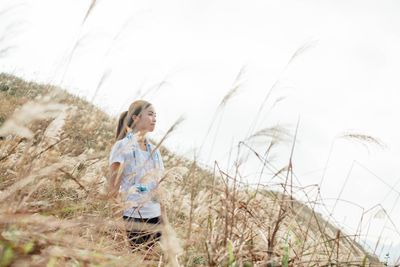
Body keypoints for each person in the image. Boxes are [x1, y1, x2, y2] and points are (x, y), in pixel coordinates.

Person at [108, 100, 164, 251]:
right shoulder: (122, 146)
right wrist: (119, 225)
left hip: (156, 218)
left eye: (156, 115)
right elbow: (113, 189)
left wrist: (165, 220)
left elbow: (159, 187)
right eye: (150, 114)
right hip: (132, 218)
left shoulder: (155, 150)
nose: (155, 118)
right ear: (135, 118)